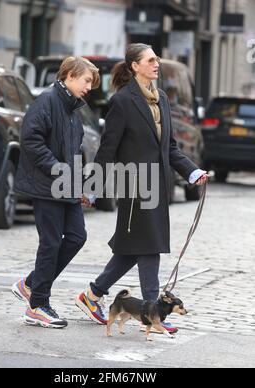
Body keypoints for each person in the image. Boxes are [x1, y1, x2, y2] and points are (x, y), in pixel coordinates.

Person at [76, 43, 208, 333]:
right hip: (134, 187)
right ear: (135, 65)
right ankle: (152, 314)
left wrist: (192, 171)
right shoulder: (122, 101)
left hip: (158, 187)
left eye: (157, 59)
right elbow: (107, 150)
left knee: (131, 250)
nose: (156, 64)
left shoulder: (160, 98)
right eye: (150, 60)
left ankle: (92, 295)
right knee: (149, 249)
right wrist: (94, 187)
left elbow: (169, 148)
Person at [11, 57, 100, 328]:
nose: (89, 87)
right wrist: (58, 170)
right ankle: (37, 305)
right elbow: (31, 141)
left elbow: (72, 154)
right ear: (70, 76)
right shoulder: (47, 101)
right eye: (87, 81)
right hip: (46, 185)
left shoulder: (73, 109)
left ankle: (31, 283)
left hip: (65, 187)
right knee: (50, 243)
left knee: (76, 236)